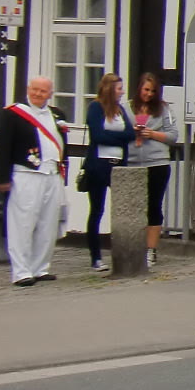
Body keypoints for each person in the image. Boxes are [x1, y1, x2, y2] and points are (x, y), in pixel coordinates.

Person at [0, 75, 67, 288]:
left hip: (52, 174)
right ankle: (21, 271)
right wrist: (2, 178)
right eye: (34, 89)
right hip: (26, 174)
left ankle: (40, 267)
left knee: (48, 224)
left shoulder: (57, 115)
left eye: (42, 91)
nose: (37, 94)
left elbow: (63, 145)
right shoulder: (13, 114)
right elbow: (2, 147)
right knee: (22, 223)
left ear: (50, 94)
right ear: (28, 89)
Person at [81, 72, 133, 273]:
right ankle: (95, 257)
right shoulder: (96, 107)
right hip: (99, 165)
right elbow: (97, 135)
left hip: (118, 163)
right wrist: (119, 137)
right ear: (110, 89)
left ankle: (125, 254)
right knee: (97, 209)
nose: (122, 92)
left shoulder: (120, 110)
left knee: (124, 209)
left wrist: (116, 136)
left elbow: (130, 134)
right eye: (119, 88)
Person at [130, 71, 177, 268]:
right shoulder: (127, 108)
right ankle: (133, 248)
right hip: (133, 162)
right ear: (139, 88)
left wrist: (153, 134)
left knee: (153, 206)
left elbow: (173, 136)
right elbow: (118, 131)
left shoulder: (164, 109)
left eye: (153, 91)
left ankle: (151, 250)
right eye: (146, 90)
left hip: (157, 162)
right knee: (133, 207)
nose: (149, 94)